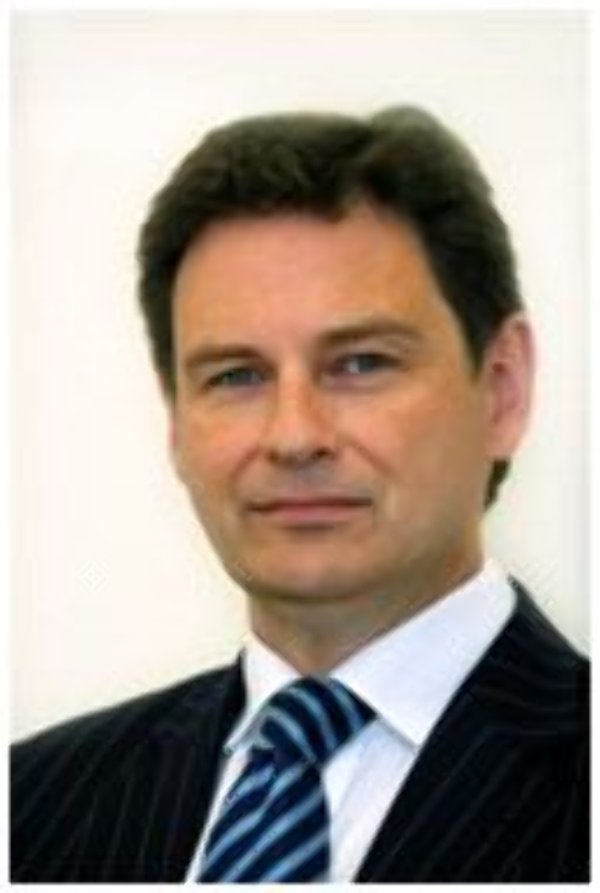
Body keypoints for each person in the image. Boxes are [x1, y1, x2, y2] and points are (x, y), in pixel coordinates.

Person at [11, 106, 589, 883]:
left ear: (502, 389)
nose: (293, 436)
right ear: (176, 420)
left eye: (360, 364)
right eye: (236, 375)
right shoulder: (31, 806)